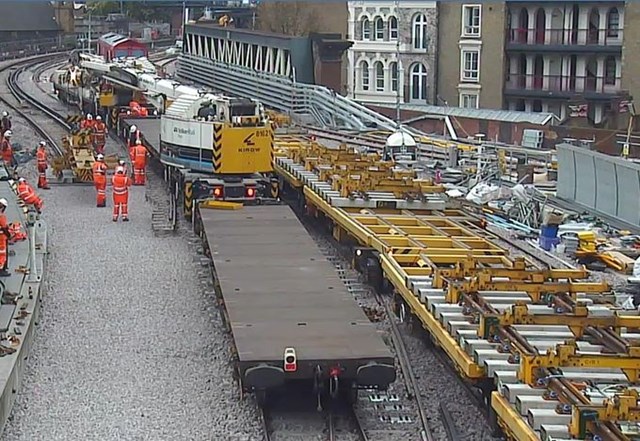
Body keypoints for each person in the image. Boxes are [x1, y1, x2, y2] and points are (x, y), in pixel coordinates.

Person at [0, 198, 10, 277]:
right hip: (1, 237)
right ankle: (1, 270)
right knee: (2, 253)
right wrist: (8, 235)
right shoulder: (1, 216)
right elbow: (4, 227)